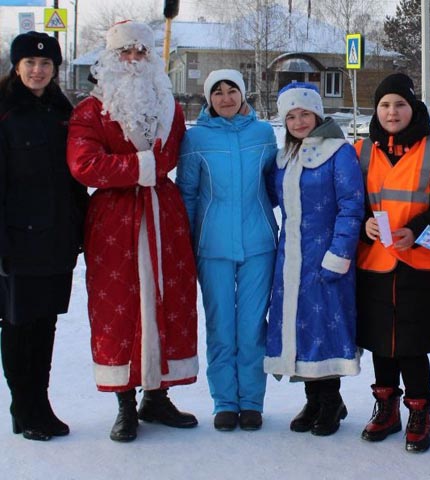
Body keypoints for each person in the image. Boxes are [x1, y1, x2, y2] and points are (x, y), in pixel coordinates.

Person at [66, 20, 198, 442]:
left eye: (141, 52)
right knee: (118, 306)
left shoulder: (170, 107)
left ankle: (156, 397)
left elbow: (173, 154)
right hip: (115, 220)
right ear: (110, 58)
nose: (135, 59)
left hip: (164, 213)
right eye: (126, 52)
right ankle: (124, 400)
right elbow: (84, 164)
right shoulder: (90, 110)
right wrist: (140, 168)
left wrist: (153, 172)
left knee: (168, 298)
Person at [355, 73, 430, 453]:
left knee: (412, 343)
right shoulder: (362, 150)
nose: (392, 112)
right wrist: (364, 221)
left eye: (399, 104)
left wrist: (416, 229)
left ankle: (420, 410)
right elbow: (352, 201)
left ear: (413, 108)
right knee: (381, 341)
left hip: (417, 263)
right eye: (384, 105)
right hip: (375, 262)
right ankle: (387, 407)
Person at [177, 69, 278, 432]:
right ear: (208, 99)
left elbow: (275, 184)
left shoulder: (264, 134)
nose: (225, 98)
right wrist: (187, 242)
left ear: (243, 93)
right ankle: (224, 401)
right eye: (216, 92)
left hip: (259, 244)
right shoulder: (196, 139)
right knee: (221, 326)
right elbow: (187, 193)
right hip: (212, 246)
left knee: (252, 327)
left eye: (231, 90)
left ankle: (251, 402)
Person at [0, 31, 88, 441]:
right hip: (17, 241)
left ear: (55, 69)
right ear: (17, 66)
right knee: (19, 324)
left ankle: (41, 403)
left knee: (45, 324)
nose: (38, 70)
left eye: (46, 64)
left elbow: (75, 178)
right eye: (31, 63)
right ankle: (25, 407)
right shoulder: (4, 111)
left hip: (57, 239)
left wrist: (82, 228)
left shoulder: (61, 109)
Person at [263, 82, 364, 436]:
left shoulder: (339, 152)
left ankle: (331, 400)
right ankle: (313, 398)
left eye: (304, 113)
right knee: (299, 329)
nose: (298, 121)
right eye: (291, 116)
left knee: (325, 328)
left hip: (325, 259)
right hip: (290, 260)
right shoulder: (284, 156)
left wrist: (339, 254)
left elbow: (351, 206)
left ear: (318, 114)